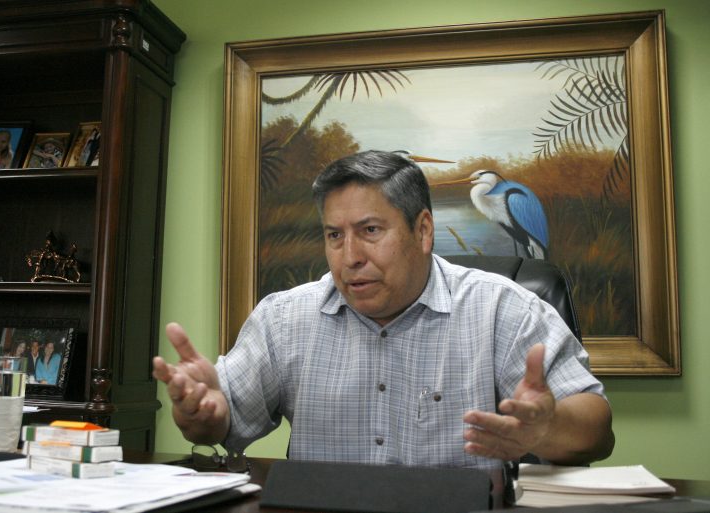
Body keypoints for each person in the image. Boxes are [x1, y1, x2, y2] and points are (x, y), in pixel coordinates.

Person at [153, 150, 614, 473]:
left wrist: (546, 429)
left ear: (424, 230)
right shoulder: (284, 319)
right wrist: (202, 415)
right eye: (334, 235)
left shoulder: (503, 307)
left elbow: (596, 429)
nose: (349, 257)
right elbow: (217, 424)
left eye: (370, 230)